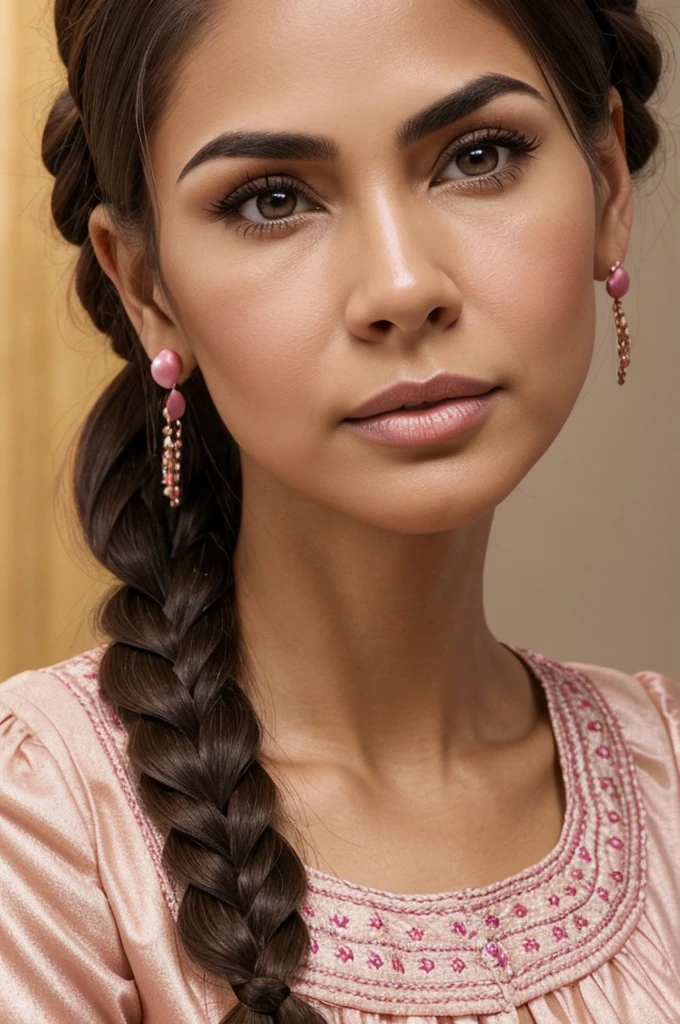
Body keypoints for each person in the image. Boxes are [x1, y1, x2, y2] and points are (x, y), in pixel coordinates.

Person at [0, 0, 677, 1021]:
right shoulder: (43, 833)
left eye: (479, 154)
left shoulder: (665, 779)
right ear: (146, 289)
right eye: (271, 200)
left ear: (607, 182)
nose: (402, 286)